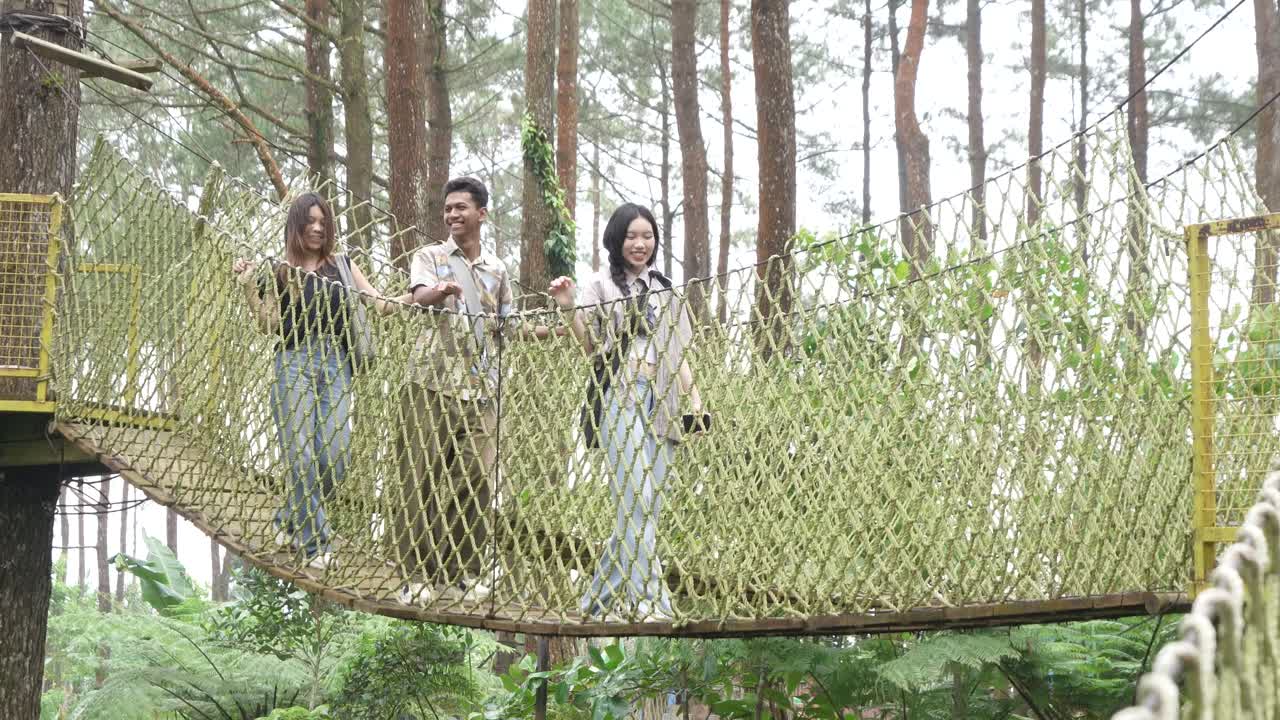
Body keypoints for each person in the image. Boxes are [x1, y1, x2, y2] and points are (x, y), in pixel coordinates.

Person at [548, 202, 706, 621]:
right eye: (632, 236)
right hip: (620, 396)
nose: (640, 244)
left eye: (647, 236)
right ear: (616, 241)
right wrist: (567, 305)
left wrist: (696, 404)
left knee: (645, 507)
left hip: (665, 400)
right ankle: (650, 601)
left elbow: (682, 353)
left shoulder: (667, 289)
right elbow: (590, 350)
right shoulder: (599, 287)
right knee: (637, 497)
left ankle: (595, 604)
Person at [232, 192, 403, 569]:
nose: (317, 227)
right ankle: (316, 546)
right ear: (296, 225)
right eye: (309, 220)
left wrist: (424, 294)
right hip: (294, 363)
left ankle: (289, 520)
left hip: (337, 365)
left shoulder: (342, 265)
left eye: (322, 221)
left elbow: (381, 305)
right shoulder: (278, 271)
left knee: (335, 457)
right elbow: (269, 326)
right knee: (302, 456)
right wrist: (247, 286)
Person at [396, 176, 513, 602]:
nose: (452, 215)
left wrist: (558, 323)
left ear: (481, 214)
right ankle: (416, 576)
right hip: (429, 381)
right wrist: (439, 291)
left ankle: (460, 570)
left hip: (480, 387)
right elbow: (420, 294)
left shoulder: (498, 270)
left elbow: (507, 324)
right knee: (419, 480)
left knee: (478, 478)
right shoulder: (429, 255)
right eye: (447, 209)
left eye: (461, 208)